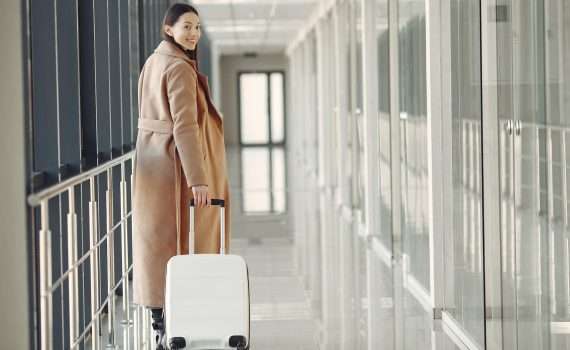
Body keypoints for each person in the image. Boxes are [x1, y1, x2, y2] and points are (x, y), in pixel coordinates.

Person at [132, 3, 231, 347]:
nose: (193, 34)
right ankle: (176, 319)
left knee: (156, 244)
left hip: (153, 165)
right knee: (183, 243)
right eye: (187, 26)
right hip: (174, 169)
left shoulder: (153, 62)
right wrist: (199, 179)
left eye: (197, 27)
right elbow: (185, 127)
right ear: (168, 29)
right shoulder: (178, 69)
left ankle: (160, 321)